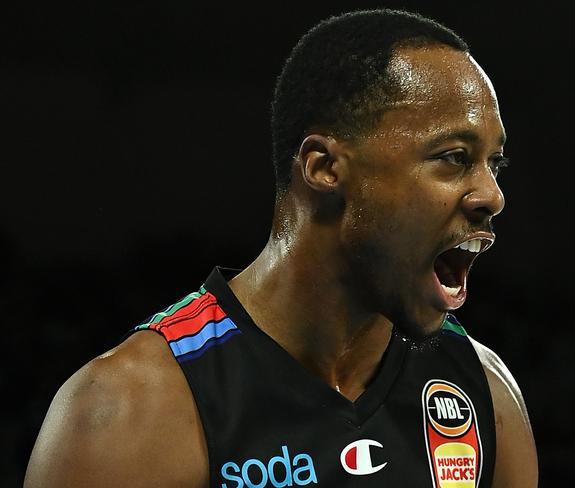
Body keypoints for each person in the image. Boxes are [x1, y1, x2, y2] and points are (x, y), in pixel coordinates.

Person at [24, 9, 538, 488]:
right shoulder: (130, 410)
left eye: (495, 164)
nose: (492, 195)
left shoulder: (484, 392)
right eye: (453, 157)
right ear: (323, 168)